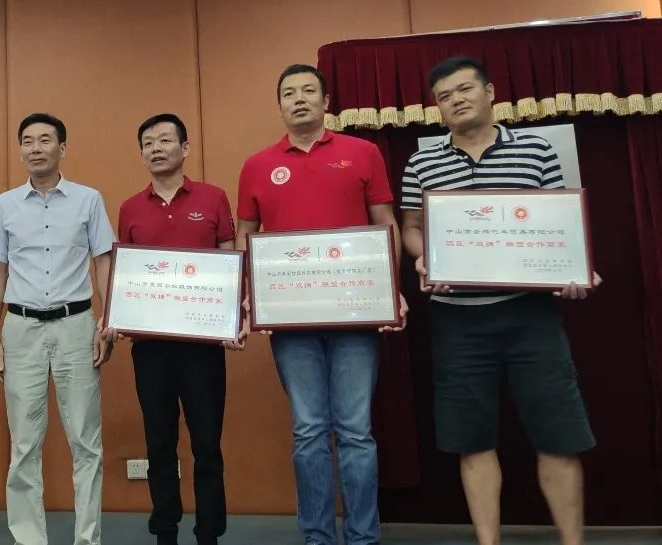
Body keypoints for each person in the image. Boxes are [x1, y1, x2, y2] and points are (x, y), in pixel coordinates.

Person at [400, 56, 600, 545]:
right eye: (444, 96)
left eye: (465, 89)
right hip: (457, 320)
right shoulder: (422, 163)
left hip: (532, 314)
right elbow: (411, 228)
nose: (456, 100)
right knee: (472, 439)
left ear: (489, 92)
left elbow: (558, 222)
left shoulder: (536, 150)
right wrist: (425, 260)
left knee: (558, 433)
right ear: (437, 107)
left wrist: (572, 268)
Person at [235, 65, 404, 545]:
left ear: (326, 101)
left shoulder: (362, 153)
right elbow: (246, 235)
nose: (299, 98)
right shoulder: (257, 165)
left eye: (309, 90)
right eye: (288, 93)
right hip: (291, 320)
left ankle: (363, 536)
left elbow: (385, 223)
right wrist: (250, 294)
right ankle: (317, 537)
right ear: (280, 106)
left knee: (355, 431)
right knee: (308, 431)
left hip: (356, 313)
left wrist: (390, 289)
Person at [0, 112, 116, 545]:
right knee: (23, 444)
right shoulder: (3, 205)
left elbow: (103, 262)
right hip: (20, 328)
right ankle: (29, 539)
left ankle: (87, 538)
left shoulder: (88, 200)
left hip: (76, 325)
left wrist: (106, 320)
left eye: (45, 139)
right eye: (27, 141)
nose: (35, 148)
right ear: (20, 149)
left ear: (62, 148)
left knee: (86, 441)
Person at [114, 113, 242, 545]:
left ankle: (209, 532)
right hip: (151, 346)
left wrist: (232, 318)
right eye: (148, 143)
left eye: (165, 140)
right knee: (159, 444)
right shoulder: (130, 208)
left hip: (203, 345)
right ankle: (165, 530)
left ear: (185, 148)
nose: (156, 148)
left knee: (207, 445)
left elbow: (229, 262)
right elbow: (128, 275)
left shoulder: (214, 197)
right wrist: (117, 315)